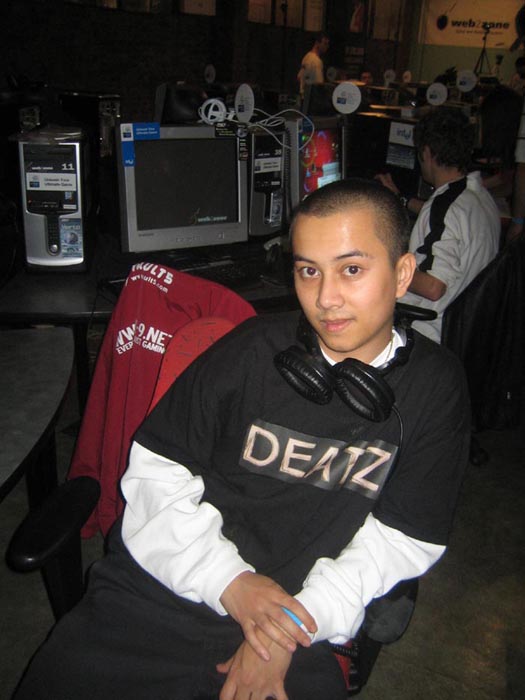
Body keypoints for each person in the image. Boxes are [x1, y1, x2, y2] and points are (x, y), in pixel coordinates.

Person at [13, 179, 470, 700]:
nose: (325, 299)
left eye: (351, 270)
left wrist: (288, 627)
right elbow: (155, 476)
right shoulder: (249, 351)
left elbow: (401, 538)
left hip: (303, 617)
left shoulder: (435, 388)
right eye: (308, 271)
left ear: (402, 273)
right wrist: (230, 583)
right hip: (170, 582)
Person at [376, 106, 500, 343]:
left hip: (427, 331)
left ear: (426, 152)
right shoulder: (478, 196)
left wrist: (384, 264)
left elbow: (433, 287)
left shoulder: (443, 207)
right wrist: (401, 199)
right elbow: (448, 220)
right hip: (465, 329)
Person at [297, 31, 330, 96]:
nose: (327, 46)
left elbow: (298, 77)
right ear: (317, 43)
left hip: (303, 95)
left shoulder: (306, 56)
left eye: (327, 44)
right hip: (311, 97)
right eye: (325, 44)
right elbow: (319, 84)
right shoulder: (317, 61)